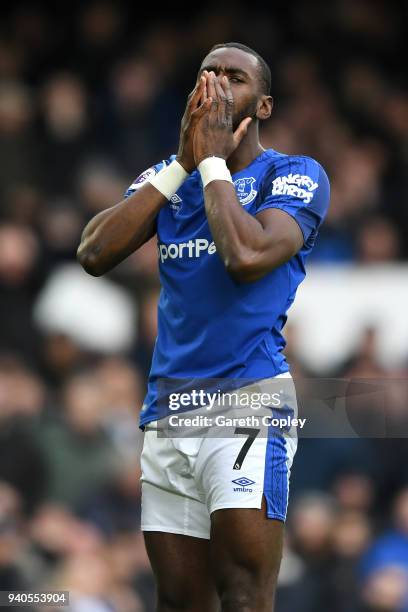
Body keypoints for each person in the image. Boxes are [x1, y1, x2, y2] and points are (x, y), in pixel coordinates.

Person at [77, 42, 330, 612]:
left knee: (242, 594)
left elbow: (246, 256)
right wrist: (187, 163)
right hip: (168, 408)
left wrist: (212, 161)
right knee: (179, 601)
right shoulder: (168, 178)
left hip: (247, 401)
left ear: (262, 106)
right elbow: (93, 252)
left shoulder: (294, 175)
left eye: (233, 78)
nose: (215, 86)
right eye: (206, 74)